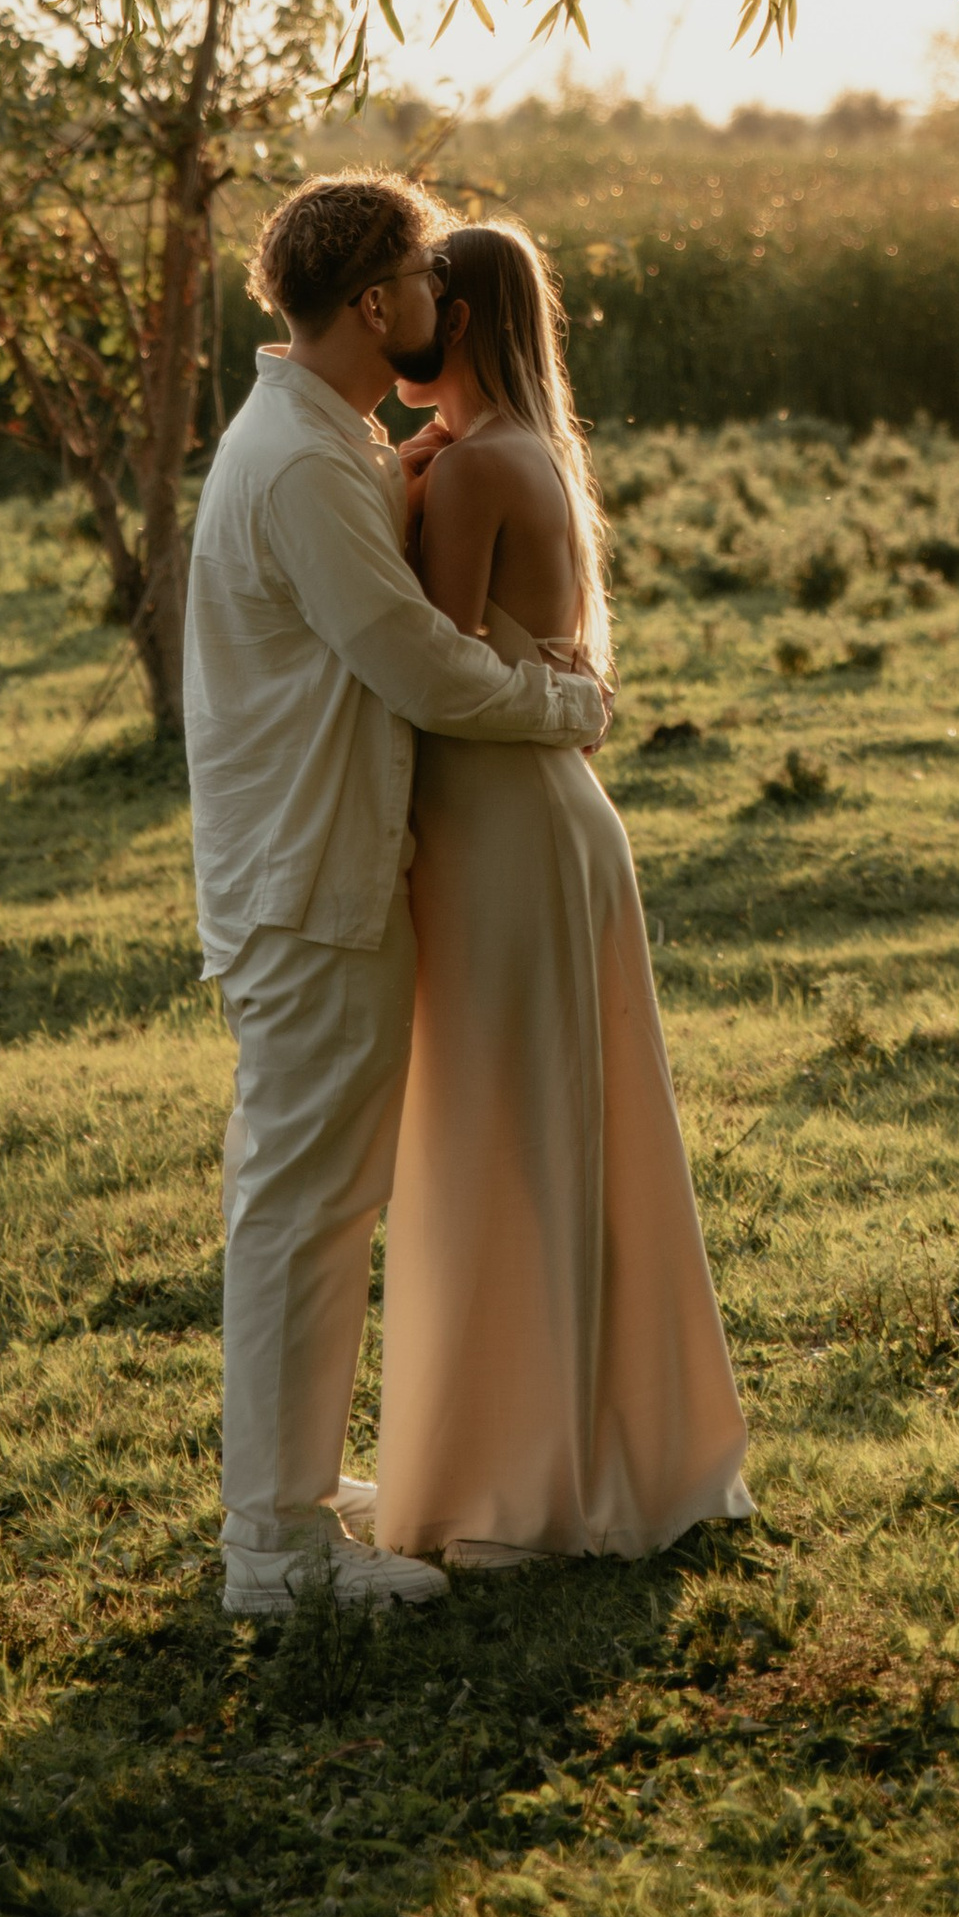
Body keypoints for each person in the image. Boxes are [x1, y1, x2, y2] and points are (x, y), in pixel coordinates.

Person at [185, 173, 610, 1617]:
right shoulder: (306, 461)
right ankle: (279, 1552)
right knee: (305, 1209)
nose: (441, 292)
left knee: (310, 1199)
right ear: (379, 301)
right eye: (425, 268)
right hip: (312, 881)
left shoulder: (325, 442)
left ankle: (288, 1498)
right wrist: (569, 707)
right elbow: (418, 668)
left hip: (317, 866)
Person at [371, 215, 752, 1567]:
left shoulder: (474, 474)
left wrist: (397, 502)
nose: (397, 325)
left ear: (453, 319)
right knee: (553, 1135)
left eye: (414, 302)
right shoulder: (531, 457)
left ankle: (517, 1475)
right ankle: (574, 1444)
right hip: (549, 828)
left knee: (501, 1140)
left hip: (504, 839)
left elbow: (426, 664)